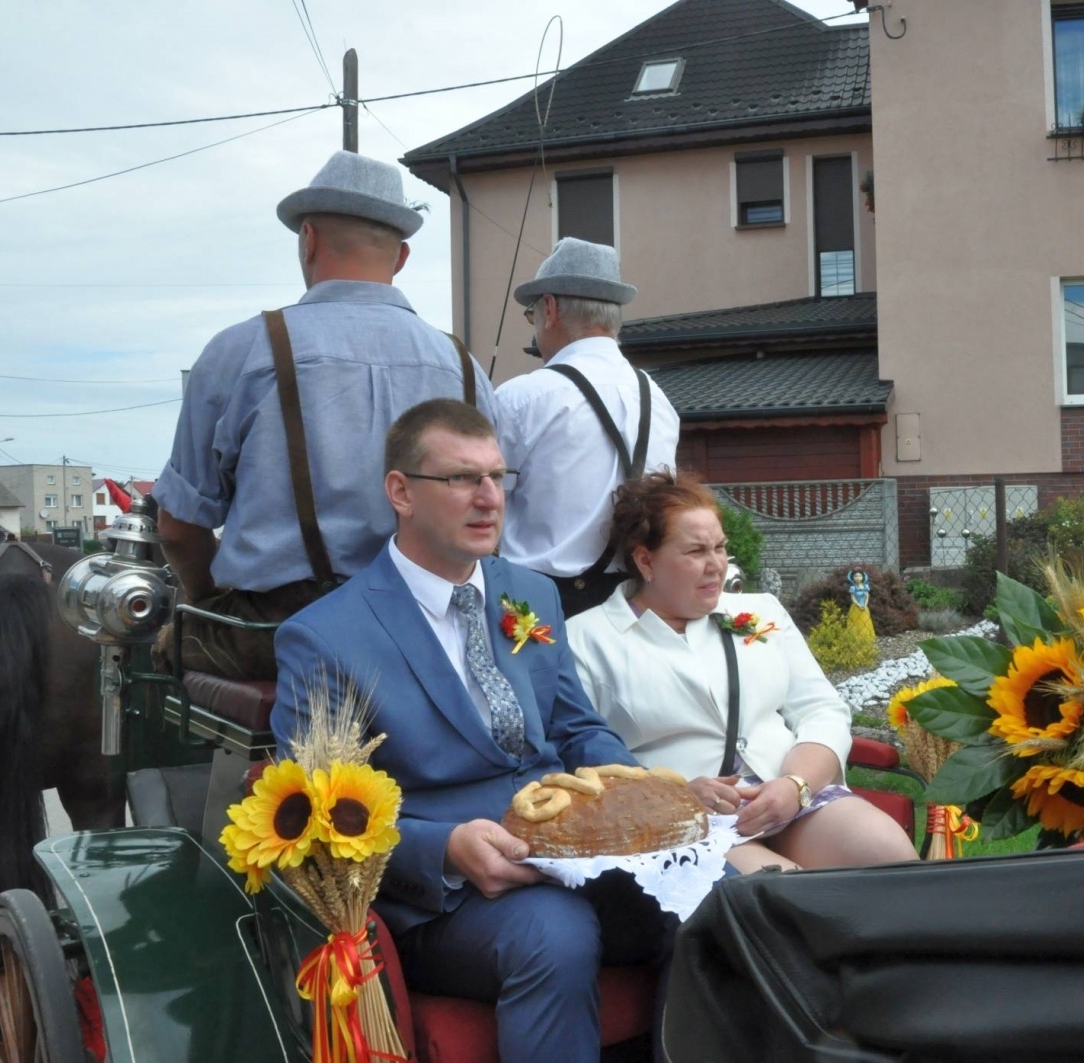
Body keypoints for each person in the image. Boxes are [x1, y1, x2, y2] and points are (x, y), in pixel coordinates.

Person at [270, 399, 670, 1063]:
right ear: (400, 491)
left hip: (569, 854)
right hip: (442, 902)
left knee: (724, 898)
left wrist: (646, 796)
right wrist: (446, 850)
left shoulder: (530, 595)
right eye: (461, 479)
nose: (489, 498)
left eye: (497, 476)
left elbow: (576, 727)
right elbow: (315, 821)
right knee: (554, 931)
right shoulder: (326, 637)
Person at [153, 151, 497, 680]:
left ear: (308, 239)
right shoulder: (463, 365)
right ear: (401, 257)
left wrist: (209, 601)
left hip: (279, 636)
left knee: (150, 649)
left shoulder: (243, 351)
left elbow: (178, 531)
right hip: (432, 633)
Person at [569, 471, 920, 874]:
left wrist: (796, 786)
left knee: (888, 852)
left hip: (790, 796)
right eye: (696, 551)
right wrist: (672, 797)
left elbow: (822, 710)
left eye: (720, 547)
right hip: (688, 821)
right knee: (783, 893)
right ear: (645, 559)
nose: (716, 565)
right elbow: (580, 759)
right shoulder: (585, 640)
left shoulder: (761, 612)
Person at [495, 238, 678, 618]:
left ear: (549, 309)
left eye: (532, 316)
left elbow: (486, 501)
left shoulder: (523, 398)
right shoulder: (659, 400)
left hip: (540, 610)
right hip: (638, 606)